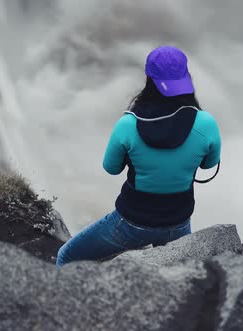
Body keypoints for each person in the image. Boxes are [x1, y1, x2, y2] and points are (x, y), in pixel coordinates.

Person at [56, 46, 221, 266]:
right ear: (185, 77)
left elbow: (111, 167)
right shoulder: (206, 124)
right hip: (177, 223)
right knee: (176, 274)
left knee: (66, 256)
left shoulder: (128, 124)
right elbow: (209, 163)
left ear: (149, 79)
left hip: (131, 224)